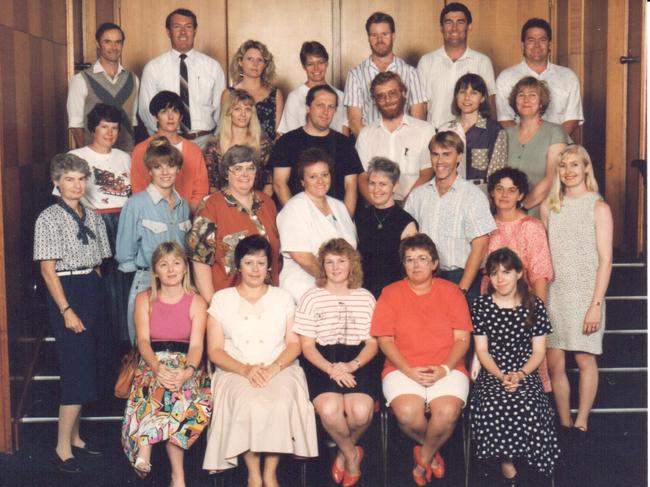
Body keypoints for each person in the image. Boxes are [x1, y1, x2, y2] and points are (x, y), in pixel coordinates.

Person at [202, 235, 318, 484]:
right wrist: (246, 370)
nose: (255, 269)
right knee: (247, 405)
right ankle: (254, 474)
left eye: (261, 263)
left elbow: (294, 343)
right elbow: (215, 351)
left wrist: (274, 368)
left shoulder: (283, 298)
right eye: (248, 262)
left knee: (278, 403)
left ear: (269, 267)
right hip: (234, 369)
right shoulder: (222, 300)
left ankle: (270, 473)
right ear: (238, 265)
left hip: (280, 366)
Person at [371, 233, 472, 484]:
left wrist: (445, 369)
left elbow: (462, 340)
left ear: (435, 263)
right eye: (410, 259)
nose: (416, 265)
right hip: (401, 368)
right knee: (407, 414)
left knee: (447, 413)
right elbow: (385, 340)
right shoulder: (390, 293)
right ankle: (433, 452)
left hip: (447, 367)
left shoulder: (452, 292)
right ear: (403, 264)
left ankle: (423, 459)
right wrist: (408, 370)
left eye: (423, 259)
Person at [34, 153, 111, 473]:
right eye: (69, 179)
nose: (77, 185)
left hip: (91, 289)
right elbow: (48, 271)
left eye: (81, 179)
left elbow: (99, 259)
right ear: (56, 182)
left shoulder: (92, 215)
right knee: (75, 367)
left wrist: (92, 283)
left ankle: (77, 437)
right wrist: (66, 309)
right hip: (67, 293)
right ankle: (61, 446)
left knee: (90, 363)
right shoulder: (48, 218)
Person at [121, 241, 211, 485]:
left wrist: (186, 371)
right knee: (157, 386)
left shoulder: (197, 301)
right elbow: (142, 340)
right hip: (153, 359)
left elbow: (196, 346)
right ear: (156, 272)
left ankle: (147, 446)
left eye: (176, 263)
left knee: (178, 395)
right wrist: (156, 366)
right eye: (164, 264)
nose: (171, 269)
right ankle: (175, 474)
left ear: (185, 269)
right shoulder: (144, 298)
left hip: (187, 363)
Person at [541, 145, 613, 441]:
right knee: (555, 361)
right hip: (556, 293)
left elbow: (606, 259)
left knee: (584, 359)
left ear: (586, 168)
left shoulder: (599, 207)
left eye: (574, 165)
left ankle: (581, 421)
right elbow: (544, 255)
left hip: (586, 293)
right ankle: (565, 422)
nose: (568, 172)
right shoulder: (549, 206)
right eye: (563, 166)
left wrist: (595, 304)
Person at [470, 247, 560, 483]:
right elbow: (481, 350)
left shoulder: (534, 305)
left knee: (529, 404)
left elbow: (539, 351)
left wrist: (519, 375)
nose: (500, 279)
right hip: (493, 371)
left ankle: (532, 460)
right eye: (494, 273)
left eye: (506, 272)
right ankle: (506, 461)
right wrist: (501, 376)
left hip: (525, 370)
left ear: (519, 273)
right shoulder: (481, 305)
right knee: (493, 404)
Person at [295, 238, 378, 487]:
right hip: (322, 360)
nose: (335, 267)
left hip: (357, 360)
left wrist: (351, 365)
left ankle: (343, 452)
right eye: (329, 262)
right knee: (330, 411)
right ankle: (352, 455)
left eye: (341, 261)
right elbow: (307, 345)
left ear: (352, 264)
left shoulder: (365, 297)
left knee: (361, 413)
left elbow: (372, 343)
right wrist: (331, 368)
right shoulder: (311, 297)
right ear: (322, 266)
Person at [63, 103, 132, 345]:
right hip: (93, 222)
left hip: (123, 222)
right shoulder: (77, 157)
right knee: (99, 284)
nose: (110, 133)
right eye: (104, 127)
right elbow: (62, 197)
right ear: (94, 128)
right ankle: (101, 339)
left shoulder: (125, 158)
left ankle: (124, 341)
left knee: (122, 284)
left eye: (114, 128)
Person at [116, 137, 191, 343]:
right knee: (143, 341)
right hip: (146, 280)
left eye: (171, 166)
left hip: (178, 281)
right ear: (150, 171)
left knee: (178, 337)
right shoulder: (135, 204)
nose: (165, 172)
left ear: (178, 170)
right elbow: (125, 255)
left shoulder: (184, 205)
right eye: (158, 167)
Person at [404, 131, 495, 302]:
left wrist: (463, 289)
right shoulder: (418, 196)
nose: (440, 161)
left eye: (447, 154)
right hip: (426, 278)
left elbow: (480, 246)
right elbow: (407, 242)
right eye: (435, 154)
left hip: (460, 277)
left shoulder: (473, 196)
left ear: (459, 157)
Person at [188, 145, 280, 304]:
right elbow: (199, 260)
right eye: (237, 169)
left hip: (268, 298)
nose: (245, 174)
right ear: (226, 173)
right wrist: (213, 303)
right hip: (228, 301)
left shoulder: (268, 203)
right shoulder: (210, 206)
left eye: (250, 168)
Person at [276, 147, 357, 303]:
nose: (320, 181)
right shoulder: (295, 208)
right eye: (313, 176)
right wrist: (334, 282)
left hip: (340, 290)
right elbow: (303, 258)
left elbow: (351, 251)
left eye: (325, 175)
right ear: (302, 181)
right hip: (305, 292)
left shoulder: (339, 206)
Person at [139, 8, 226, 148]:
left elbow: (222, 110)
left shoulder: (213, 67)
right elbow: (145, 110)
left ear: (195, 31)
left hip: (205, 142)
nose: (183, 32)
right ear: (168, 32)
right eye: (177, 27)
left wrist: (215, 140)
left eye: (188, 27)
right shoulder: (153, 68)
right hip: (166, 143)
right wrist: (163, 138)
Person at [271, 85, 363, 215]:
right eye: (320, 105)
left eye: (331, 107)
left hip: (335, 219)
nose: (326, 112)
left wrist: (344, 222)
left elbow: (351, 187)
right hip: (298, 218)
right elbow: (279, 184)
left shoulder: (345, 144)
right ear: (308, 108)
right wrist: (300, 218)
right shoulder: (287, 142)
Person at [356, 72, 436, 205]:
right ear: (375, 100)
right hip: (376, 208)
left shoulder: (425, 130)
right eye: (381, 96)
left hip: (414, 205)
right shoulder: (366, 134)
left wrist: (406, 207)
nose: (387, 100)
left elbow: (427, 173)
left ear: (403, 93)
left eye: (392, 93)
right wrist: (379, 208)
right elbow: (362, 177)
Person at [343, 11, 427, 136]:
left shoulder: (411, 73)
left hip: (404, 146)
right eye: (374, 35)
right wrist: (372, 146)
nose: (379, 40)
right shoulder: (355, 75)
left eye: (384, 34)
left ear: (393, 36)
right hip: (370, 146)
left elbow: (418, 118)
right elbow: (354, 122)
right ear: (368, 38)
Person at [496, 18, 584, 136]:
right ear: (523, 45)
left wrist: (553, 143)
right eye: (531, 40)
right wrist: (528, 144)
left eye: (542, 40)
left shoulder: (568, 76)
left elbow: (572, 118)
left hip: (559, 146)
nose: (537, 45)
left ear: (550, 45)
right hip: (520, 146)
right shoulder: (506, 77)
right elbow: (505, 118)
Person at [417, 2, 497, 128]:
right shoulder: (427, 62)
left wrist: (489, 137)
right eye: (448, 22)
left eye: (460, 22)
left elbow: (490, 106)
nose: (454, 28)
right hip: (436, 137)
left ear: (469, 26)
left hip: (472, 137)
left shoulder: (482, 61)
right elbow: (420, 107)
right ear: (441, 28)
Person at [130, 91, 209, 212]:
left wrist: (186, 213)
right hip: (152, 217)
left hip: (187, 216)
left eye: (175, 112)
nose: (170, 117)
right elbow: (138, 187)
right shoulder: (141, 149)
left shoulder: (194, 150)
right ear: (156, 116)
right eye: (164, 112)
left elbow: (201, 189)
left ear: (181, 116)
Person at [67, 22, 139, 152]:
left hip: (127, 153)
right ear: (98, 44)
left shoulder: (133, 79)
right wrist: (88, 157)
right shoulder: (81, 80)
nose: (114, 47)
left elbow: (132, 121)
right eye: (107, 42)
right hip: (95, 155)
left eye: (118, 42)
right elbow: (75, 125)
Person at [505, 77, 571, 215]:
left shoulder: (555, 132)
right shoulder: (505, 134)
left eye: (532, 95)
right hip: (507, 212)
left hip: (544, 210)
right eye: (521, 95)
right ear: (514, 101)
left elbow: (552, 178)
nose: (526, 99)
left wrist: (522, 207)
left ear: (541, 103)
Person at [355, 157, 417, 298]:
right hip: (362, 294)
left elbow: (411, 268)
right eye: (372, 183)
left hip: (395, 295)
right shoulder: (360, 217)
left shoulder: (407, 223)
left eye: (383, 184)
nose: (376, 189)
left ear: (394, 186)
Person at [438, 73, 507, 191]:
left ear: (482, 98)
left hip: (480, 192)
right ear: (456, 96)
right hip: (450, 192)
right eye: (462, 92)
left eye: (474, 93)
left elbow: (496, 174)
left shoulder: (494, 130)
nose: (467, 97)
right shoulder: (445, 129)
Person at [204, 89, 273, 195]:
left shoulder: (263, 144)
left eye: (248, 109)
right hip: (223, 205)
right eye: (237, 109)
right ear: (229, 112)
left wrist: (256, 207)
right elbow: (212, 186)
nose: (243, 114)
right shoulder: (213, 146)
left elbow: (269, 185)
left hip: (256, 203)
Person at [279, 41, 349, 136]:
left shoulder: (340, 96)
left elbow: (344, 136)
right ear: (304, 67)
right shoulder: (295, 97)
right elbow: (289, 137)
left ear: (327, 63)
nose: (316, 69)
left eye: (320, 62)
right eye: (310, 64)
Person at [225, 39, 284, 141]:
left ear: (265, 65)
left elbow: (278, 133)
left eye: (260, 60)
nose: (255, 64)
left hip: (269, 152)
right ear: (240, 62)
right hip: (237, 153)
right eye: (250, 59)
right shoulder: (228, 94)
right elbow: (225, 131)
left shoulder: (275, 94)